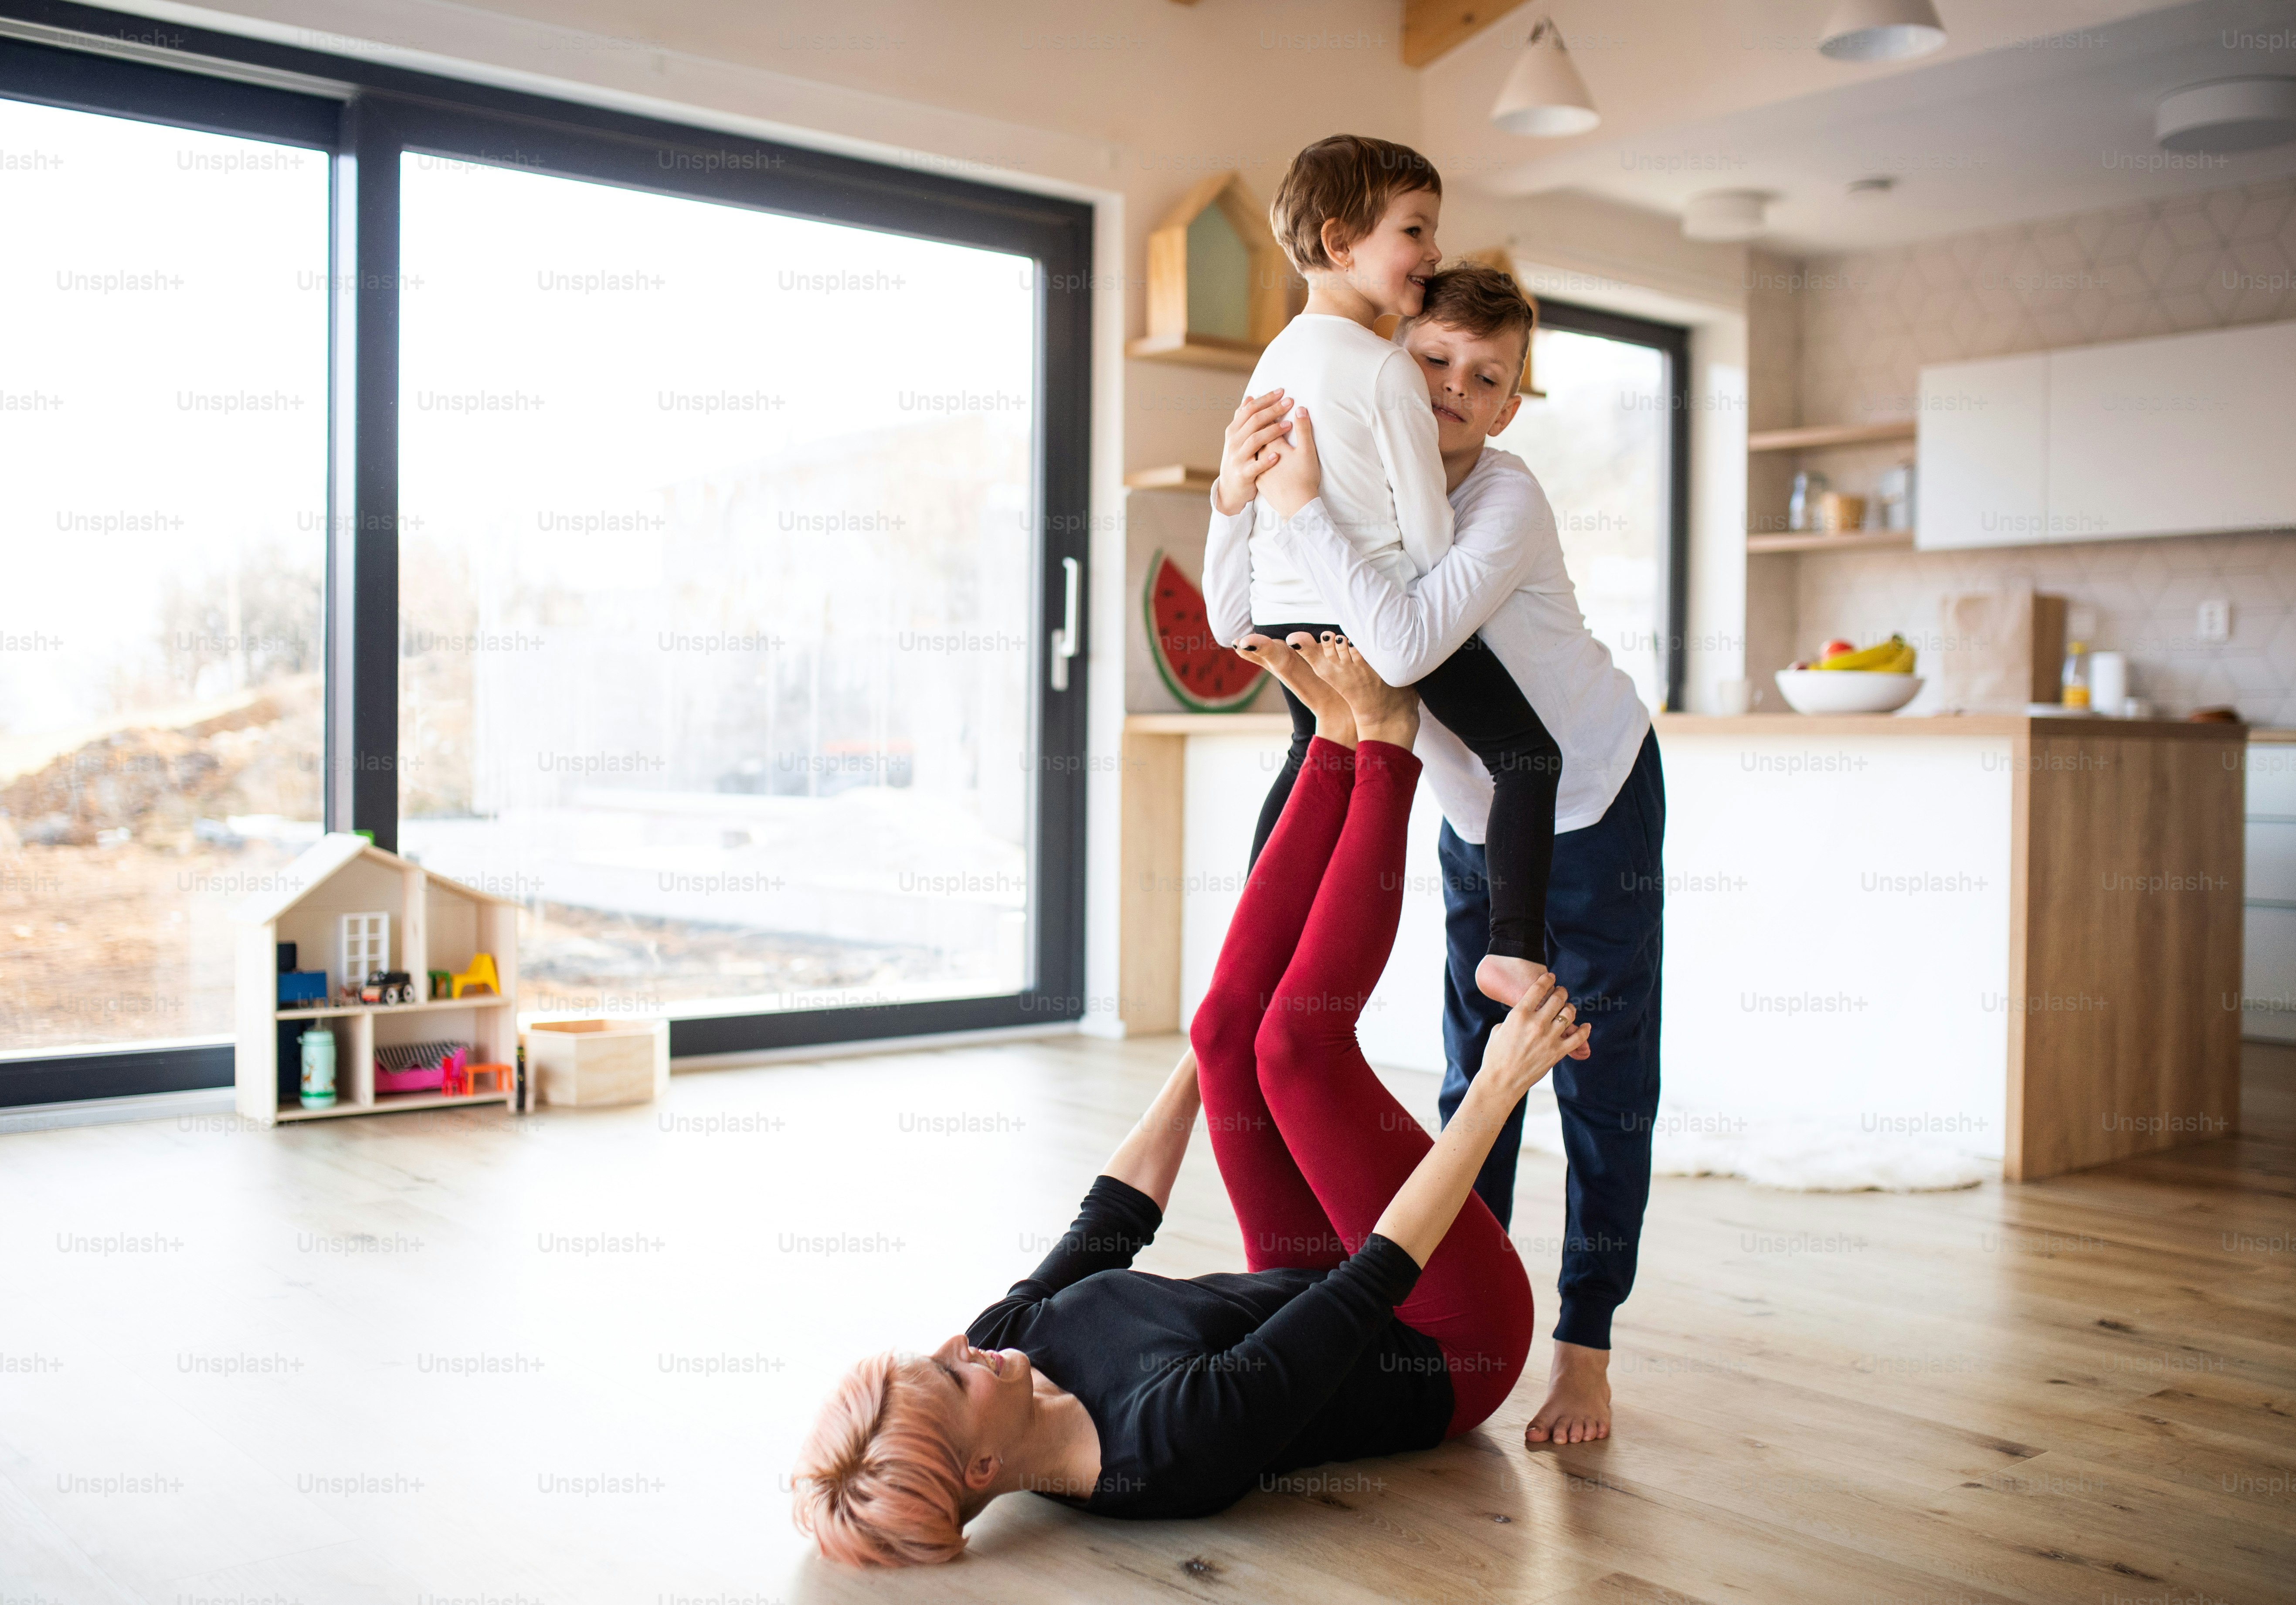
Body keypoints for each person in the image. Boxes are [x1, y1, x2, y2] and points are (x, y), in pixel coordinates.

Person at [791, 640, 1590, 1567]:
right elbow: (1375, 1277)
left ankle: (1334, 740)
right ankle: (1389, 737)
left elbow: (1113, 1216)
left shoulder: (999, 1351)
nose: (956, 1347)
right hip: (1444, 1339)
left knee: (1228, 1035)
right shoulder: (1170, 1443)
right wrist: (1495, 1087)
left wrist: (1210, 1054)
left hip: (1300, 1286)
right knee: (1297, 1051)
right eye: (952, 1378)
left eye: (933, 1359)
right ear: (982, 1466)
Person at [1222, 261, 1661, 1449]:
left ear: (1511, 404)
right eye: (1434, 361)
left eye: (1488, 376)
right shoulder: (1369, 496)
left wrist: (1301, 508)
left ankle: (1581, 1346)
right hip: (1483, 821)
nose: (1456, 389)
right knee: (1475, 1086)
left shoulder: (1503, 502)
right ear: (1389, 360)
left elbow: (1405, 637)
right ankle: (1458, 1316)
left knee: (1600, 1088)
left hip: (1596, 796)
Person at [1209, 133, 1565, 1009]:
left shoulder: (1276, 358)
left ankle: (1262, 926)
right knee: (1527, 755)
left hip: (1287, 617)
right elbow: (1429, 533)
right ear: (1342, 244)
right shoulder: (1382, 370)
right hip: (1372, 621)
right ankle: (1511, 949)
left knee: (1308, 755)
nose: (1433, 249)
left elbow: (1249, 503)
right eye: (1417, 228)